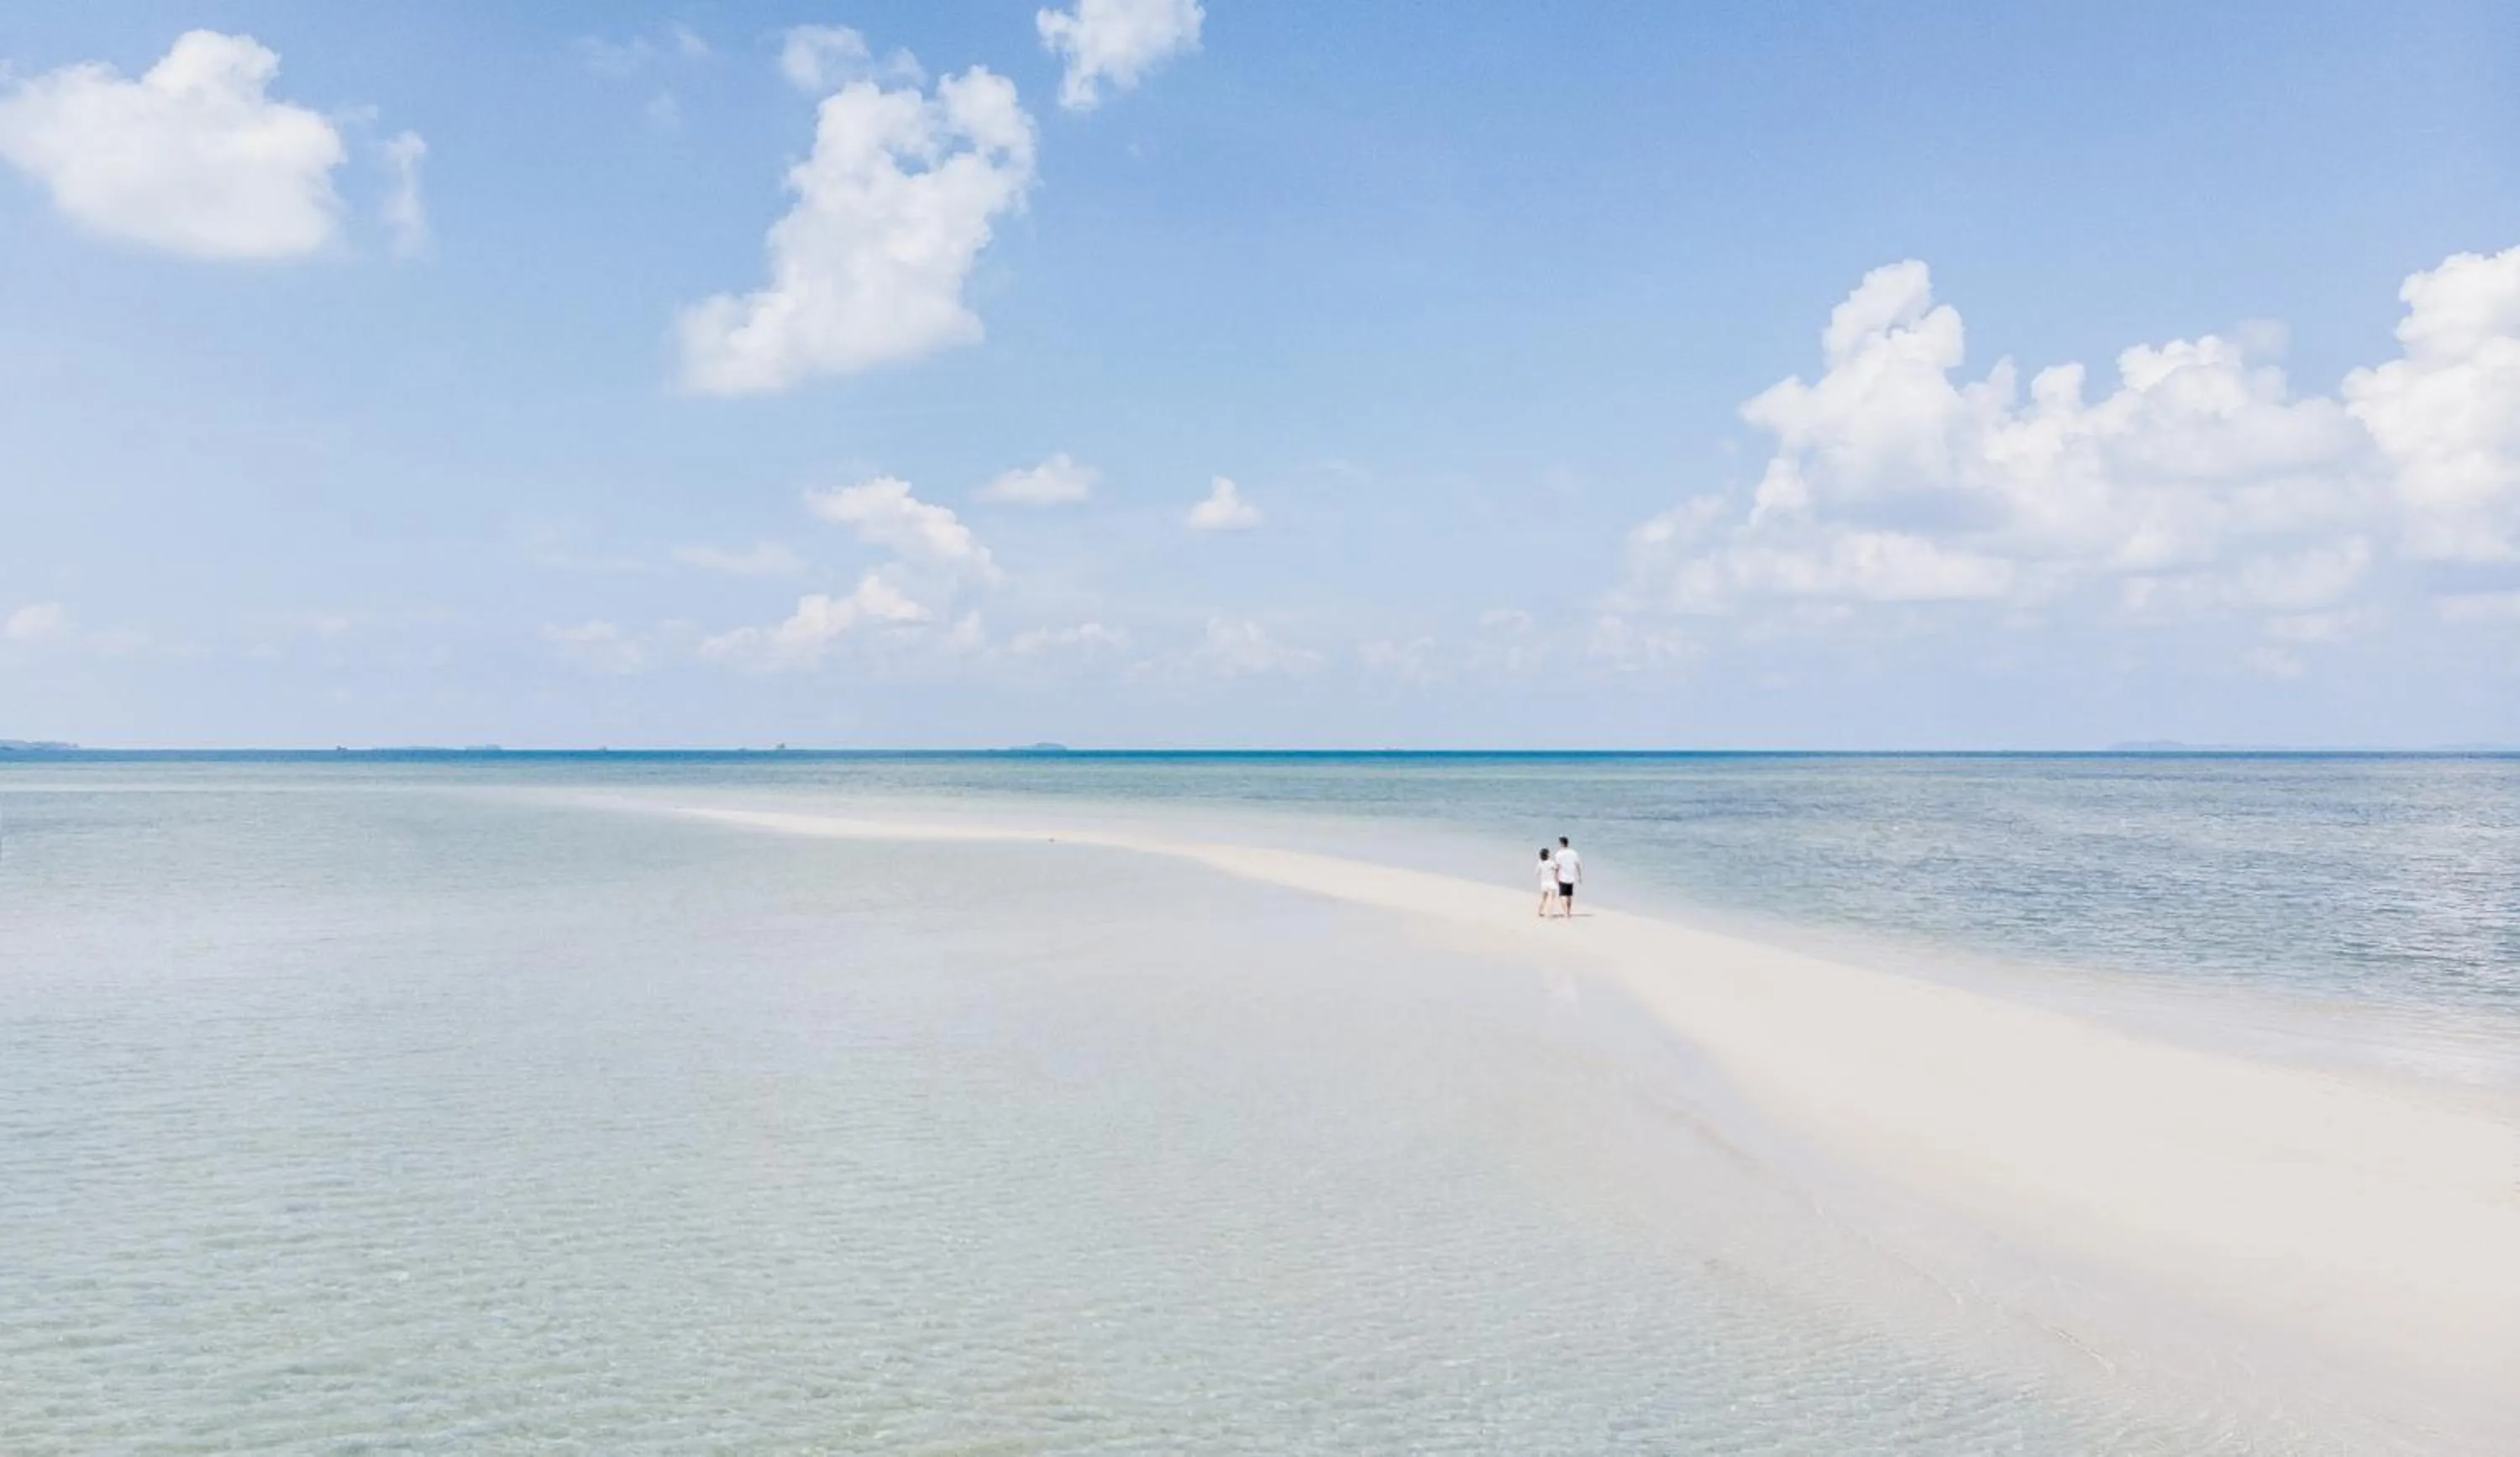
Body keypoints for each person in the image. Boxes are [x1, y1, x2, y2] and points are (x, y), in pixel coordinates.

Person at [1555, 835, 1583, 914]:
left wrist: (1556, 876)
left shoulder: (1559, 854)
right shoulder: (1574, 853)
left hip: (1562, 877)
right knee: (1569, 895)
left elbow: (1557, 866)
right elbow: (1577, 864)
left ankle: (1565, 912)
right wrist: (1580, 876)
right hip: (1571, 877)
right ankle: (1569, 911)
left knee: (1562, 896)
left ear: (1561, 844)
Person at [1536, 847, 1557, 917]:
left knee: (1543, 899)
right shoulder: (1551, 862)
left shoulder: (1540, 863)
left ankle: (1539, 912)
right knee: (1551, 899)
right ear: (1547, 855)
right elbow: (1557, 869)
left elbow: (1536, 873)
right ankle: (1549, 913)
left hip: (1544, 883)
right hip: (1551, 883)